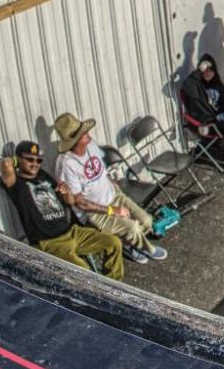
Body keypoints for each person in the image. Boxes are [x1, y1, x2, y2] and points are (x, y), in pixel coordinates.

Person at [52, 113, 167, 263]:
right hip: (95, 212)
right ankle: (143, 248)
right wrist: (112, 210)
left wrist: (114, 186)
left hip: (114, 195)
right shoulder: (67, 164)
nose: (87, 132)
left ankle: (129, 242)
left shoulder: (91, 145)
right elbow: (79, 202)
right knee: (132, 228)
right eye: (82, 132)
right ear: (73, 141)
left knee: (145, 220)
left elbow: (102, 171)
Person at [0, 141, 125, 278]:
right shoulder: (16, 184)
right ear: (18, 159)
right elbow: (6, 164)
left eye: (38, 160)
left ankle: (114, 286)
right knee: (85, 273)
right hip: (50, 243)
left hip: (72, 232)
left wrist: (67, 192)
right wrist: (15, 160)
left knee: (113, 243)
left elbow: (70, 202)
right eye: (30, 159)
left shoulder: (43, 176)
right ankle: (98, 295)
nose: (35, 164)